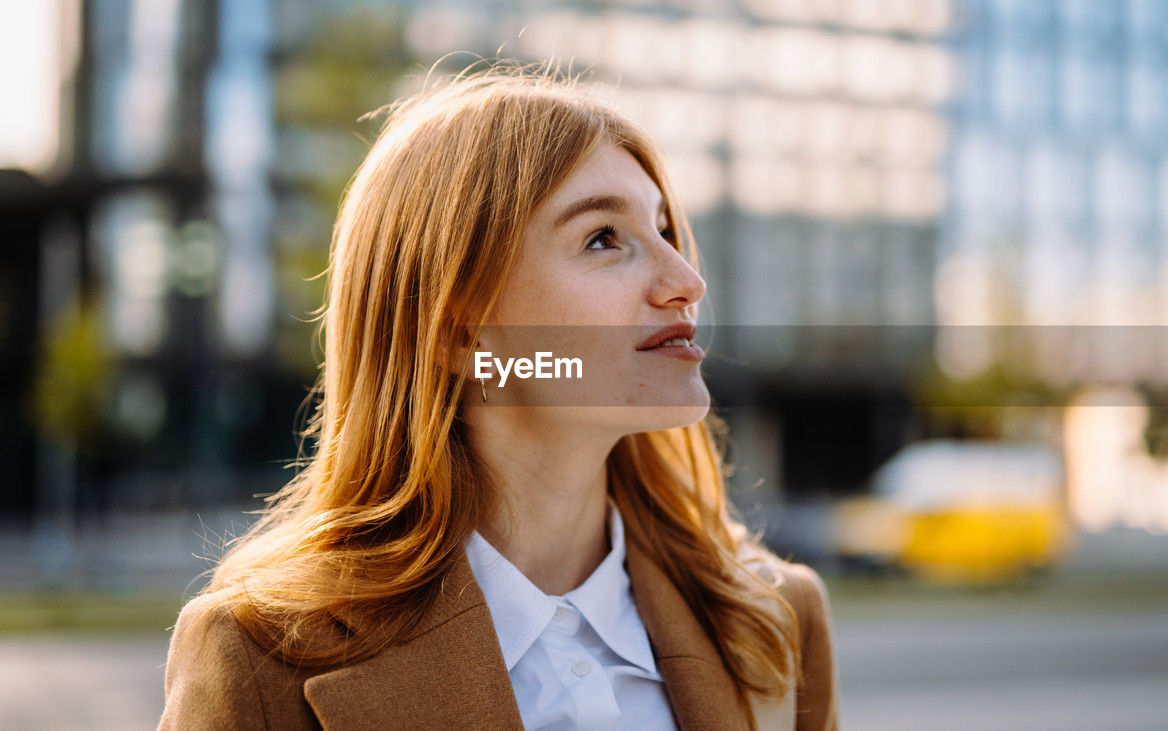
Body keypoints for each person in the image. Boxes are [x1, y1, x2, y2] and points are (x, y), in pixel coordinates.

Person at [158, 64, 838, 731]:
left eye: (664, 231)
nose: (686, 279)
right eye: (604, 237)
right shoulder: (257, 657)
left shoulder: (779, 619)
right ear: (458, 332)